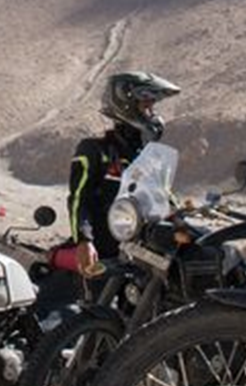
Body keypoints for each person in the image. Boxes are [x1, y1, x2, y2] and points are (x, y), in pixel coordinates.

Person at [67, 72, 181, 272]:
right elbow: (78, 199)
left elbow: (163, 198)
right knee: (95, 296)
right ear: (126, 105)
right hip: (104, 250)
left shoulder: (149, 158)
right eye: (146, 106)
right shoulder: (95, 150)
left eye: (152, 107)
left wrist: (182, 218)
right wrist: (84, 240)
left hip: (141, 250)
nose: (152, 113)